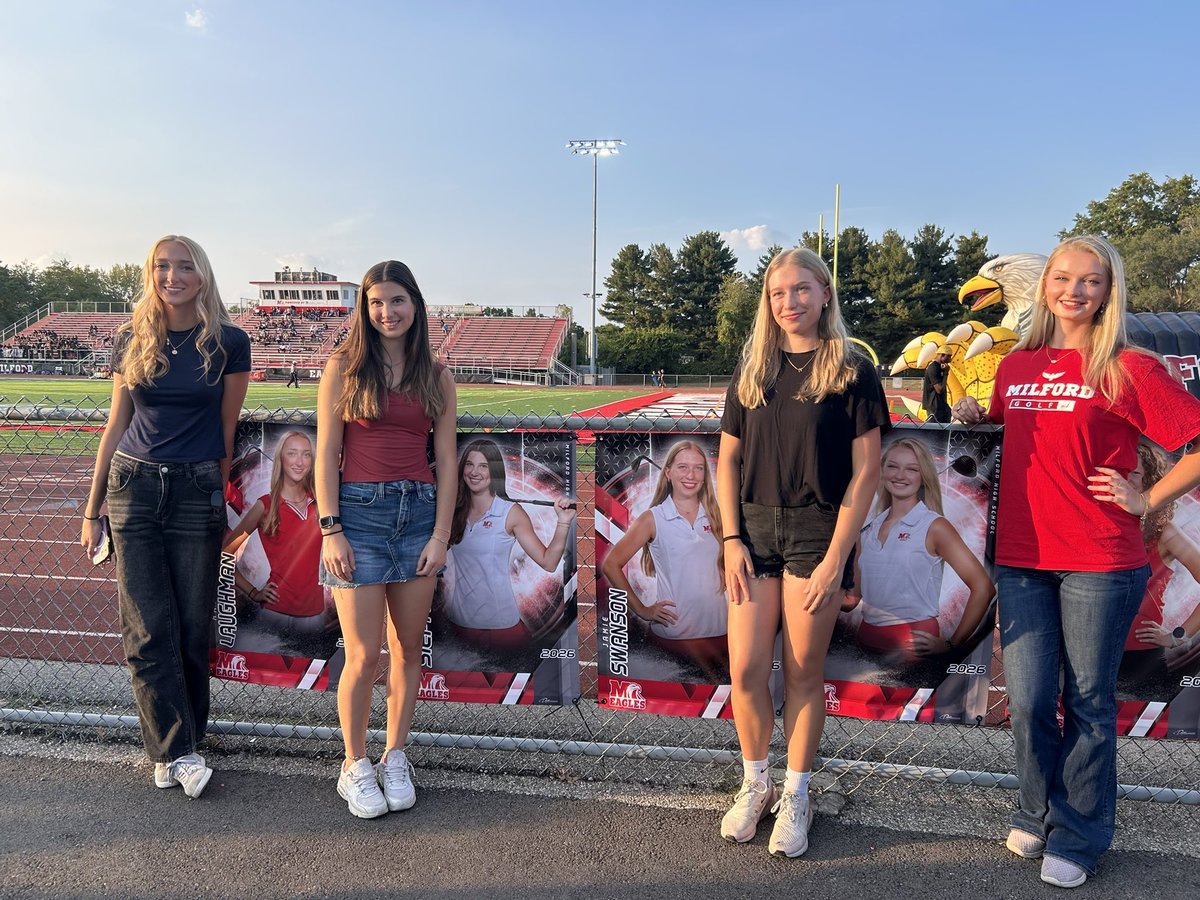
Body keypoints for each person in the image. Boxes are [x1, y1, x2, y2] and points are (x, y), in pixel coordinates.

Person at [953, 235, 1200, 888]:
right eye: (1063, 277)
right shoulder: (1017, 365)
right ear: (1045, 285)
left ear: (1108, 291)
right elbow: (1010, 431)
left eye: (1091, 280)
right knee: (1032, 699)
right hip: (1022, 559)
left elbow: (1196, 446)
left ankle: (1082, 834)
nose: (1074, 290)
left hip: (1100, 561)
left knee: (1088, 703)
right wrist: (976, 415)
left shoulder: (1130, 366)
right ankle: (1034, 811)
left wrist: (1146, 495)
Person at [717, 247, 889, 857]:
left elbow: (868, 472)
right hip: (755, 530)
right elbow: (729, 459)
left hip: (819, 529)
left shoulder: (850, 367)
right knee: (743, 670)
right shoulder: (753, 366)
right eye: (777, 292)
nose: (788, 303)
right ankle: (755, 781)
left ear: (824, 294)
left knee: (801, 672)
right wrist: (732, 538)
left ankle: (797, 792)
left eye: (800, 290)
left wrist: (837, 556)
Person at [79, 235, 251, 798]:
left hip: (196, 487)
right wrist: (92, 507)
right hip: (132, 488)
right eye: (161, 267)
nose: (171, 276)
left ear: (202, 275)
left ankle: (184, 742)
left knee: (192, 626)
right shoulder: (132, 337)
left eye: (183, 267)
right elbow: (114, 426)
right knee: (147, 626)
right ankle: (175, 750)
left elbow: (226, 433)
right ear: (150, 274)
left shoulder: (229, 342)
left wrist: (220, 499)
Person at [315, 260, 457, 819]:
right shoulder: (343, 368)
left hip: (419, 517)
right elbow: (326, 453)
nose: (387, 312)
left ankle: (395, 754)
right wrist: (332, 529)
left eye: (397, 301)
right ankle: (355, 764)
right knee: (363, 653)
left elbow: (445, 459)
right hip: (359, 515)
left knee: (405, 650)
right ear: (364, 309)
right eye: (377, 302)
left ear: (415, 305)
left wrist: (442, 535)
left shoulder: (436, 375)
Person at [843, 437, 994, 663]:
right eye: (892, 466)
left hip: (913, 651)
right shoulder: (868, 528)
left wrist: (952, 644)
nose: (899, 475)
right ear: (881, 471)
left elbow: (983, 588)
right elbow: (852, 599)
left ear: (923, 476)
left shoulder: (935, 526)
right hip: (864, 645)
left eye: (911, 469)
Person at [600, 440, 728, 679]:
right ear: (667, 472)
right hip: (674, 638)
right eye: (683, 467)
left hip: (722, 635)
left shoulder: (718, 515)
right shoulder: (653, 518)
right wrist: (641, 610)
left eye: (698, 468)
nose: (691, 475)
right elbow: (611, 564)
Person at [444, 438, 576, 648]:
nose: (474, 472)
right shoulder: (452, 511)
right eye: (469, 464)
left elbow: (548, 562)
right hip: (457, 625)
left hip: (500, 628)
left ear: (494, 471)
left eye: (483, 466)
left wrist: (563, 522)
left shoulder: (510, 513)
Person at [223, 430, 333, 658]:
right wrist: (253, 592)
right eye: (292, 453)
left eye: (306, 455)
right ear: (281, 460)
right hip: (273, 617)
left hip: (318, 619)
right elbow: (225, 553)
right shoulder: (265, 505)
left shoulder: (323, 503)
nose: (299, 462)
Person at [1118, 442, 1200, 692]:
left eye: (1135, 473)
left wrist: (1178, 635)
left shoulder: (1163, 533)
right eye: (1121, 470)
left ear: (1150, 481)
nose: (1126, 478)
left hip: (1140, 660)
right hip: (1086, 653)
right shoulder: (1089, 525)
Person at [922, 345, 952, 423]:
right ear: (942, 355)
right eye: (948, 356)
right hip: (934, 405)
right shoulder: (933, 368)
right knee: (934, 429)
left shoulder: (939, 367)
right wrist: (945, 374)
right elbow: (939, 390)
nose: (950, 359)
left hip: (940, 404)